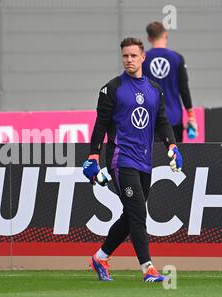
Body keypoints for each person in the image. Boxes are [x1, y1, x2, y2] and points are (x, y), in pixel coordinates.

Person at [83, 37, 183, 282]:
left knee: (130, 216)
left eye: (133, 56)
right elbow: (100, 125)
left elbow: (162, 121)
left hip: (144, 161)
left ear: (142, 57)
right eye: (125, 56)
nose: (129, 60)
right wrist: (93, 157)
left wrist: (173, 145)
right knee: (139, 214)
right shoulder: (112, 88)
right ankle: (148, 269)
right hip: (121, 159)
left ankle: (100, 257)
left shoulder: (154, 90)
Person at [142, 21, 197, 142]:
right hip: (174, 118)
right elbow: (184, 90)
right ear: (165, 35)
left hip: (150, 119)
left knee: (152, 159)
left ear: (149, 38)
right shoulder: (177, 58)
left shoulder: (142, 59)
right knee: (173, 158)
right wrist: (191, 116)